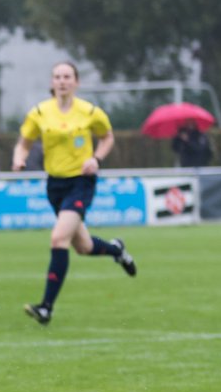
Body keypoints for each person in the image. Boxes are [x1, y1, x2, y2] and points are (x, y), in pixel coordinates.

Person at [12, 60, 136, 326]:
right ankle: (117, 250)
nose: (62, 81)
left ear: (76, 82)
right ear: (52, 82)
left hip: (81, 182)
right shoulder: (40, 113)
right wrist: (19, 158)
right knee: (83, 246)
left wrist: (97, 159)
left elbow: (108, 137)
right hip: (54, 184)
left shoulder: (90, 112)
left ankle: (46, 308)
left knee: (58, 239)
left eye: (67, 76)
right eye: (57, 76)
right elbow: (24, 142)